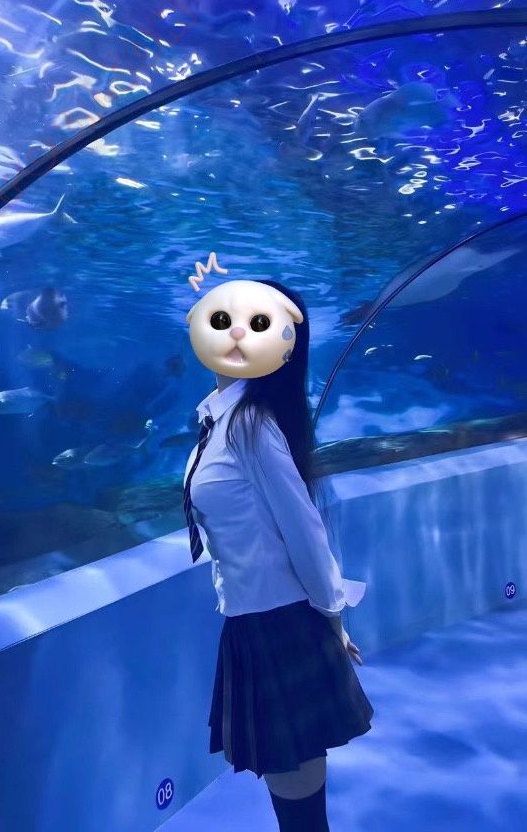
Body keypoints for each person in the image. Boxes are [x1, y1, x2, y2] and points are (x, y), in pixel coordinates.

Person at [183, 262, 374, 832]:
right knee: (290, 797)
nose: (237, 332)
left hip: (282, 627)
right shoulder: (216, 420)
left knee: (300, 807)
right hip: (251, 624)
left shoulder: (251, 426)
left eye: (257, 323)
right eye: (225, 318)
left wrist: (332, 619)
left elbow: (304, 530)